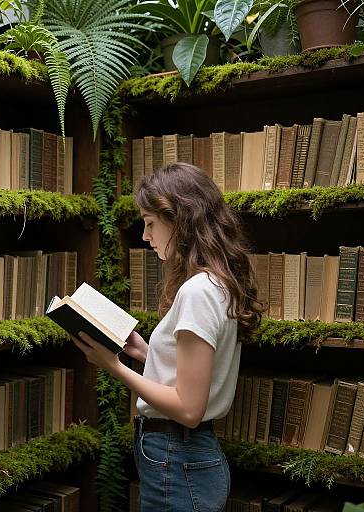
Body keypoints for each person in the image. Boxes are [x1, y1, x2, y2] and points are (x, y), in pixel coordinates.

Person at [72, 162, 263, 511]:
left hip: (178, 456)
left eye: (150, 224)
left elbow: (189, 409)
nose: (145, 237)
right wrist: (148, 354)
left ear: (181, 221)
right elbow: (194, 373)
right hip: (183, 457)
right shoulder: (215, 284)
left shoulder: (198, 292)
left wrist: (112, 366)